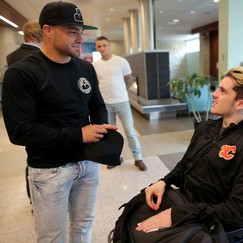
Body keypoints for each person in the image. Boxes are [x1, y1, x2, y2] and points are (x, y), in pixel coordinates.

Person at [2, 1, 117, 242]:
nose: (79, 38)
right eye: (72, 31)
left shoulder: (85, 68)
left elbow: (97, 105)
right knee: (52, 236)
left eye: (81, 32)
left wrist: (99, 134)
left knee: (84, 226)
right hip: (49, 170)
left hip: (87, 164)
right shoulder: (22, 73)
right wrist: (79, 135)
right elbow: (20, 131)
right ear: (47, 30)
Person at [134, 67, 243, 235]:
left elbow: (239, 212)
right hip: (184, 203)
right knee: (133, 218)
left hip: (208, 222)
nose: (214, 94)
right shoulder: (205, 128)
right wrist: (163, 181)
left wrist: (179, 214)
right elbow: (185, 165)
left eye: (222, 91)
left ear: (241, 104)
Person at [93, 36, 147, 171]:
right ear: (97, 48)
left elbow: (129, 80)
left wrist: (122, 91)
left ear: (109, 45)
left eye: (104, 45)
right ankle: (116, 157)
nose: (102, 48)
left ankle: (138, 158)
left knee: (130, 131)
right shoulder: (95, 66)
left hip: (122, 102)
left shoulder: (121, 61)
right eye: (99, 46)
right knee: (111, 134)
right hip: (106, 104)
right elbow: (96, 85)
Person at [5, 20, 43, 205]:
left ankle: (32, 200)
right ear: (40, 35)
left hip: (21, 115)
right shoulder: (40, 57)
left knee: (30, 158)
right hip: (42, 116)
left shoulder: (11, 57)